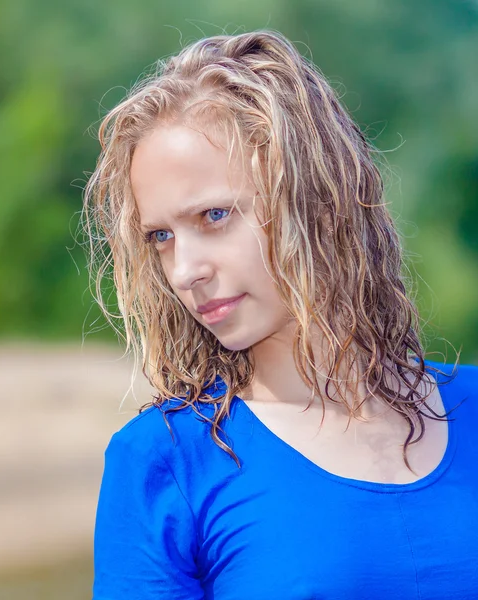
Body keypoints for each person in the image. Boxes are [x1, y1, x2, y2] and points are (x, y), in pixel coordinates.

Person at [82, 30, 478, 599]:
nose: (184, 269)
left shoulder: (473, 409)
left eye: (214, 215)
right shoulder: (168, 461)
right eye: (161, 236)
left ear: (315, 200)